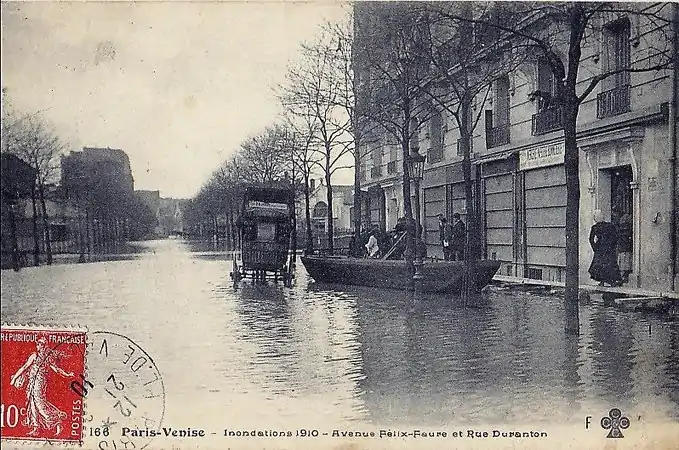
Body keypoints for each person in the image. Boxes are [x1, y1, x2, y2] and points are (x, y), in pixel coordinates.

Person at [10, 337, 75, 437]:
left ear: (45, 346)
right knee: (32, 403)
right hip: (32, 382)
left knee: (39, 403)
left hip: (40, 383)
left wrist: (67, 374)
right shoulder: (34, 356)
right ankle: (36, 427)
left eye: (42, 344)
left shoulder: (47, 358)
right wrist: (14, 377)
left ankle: (57, 419)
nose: (40, 346)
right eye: (39, 344)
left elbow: (56, 369)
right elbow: (24, 367)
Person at [588, 209, 623, 286]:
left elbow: (591, 239)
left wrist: (595, 248)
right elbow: (615, 236)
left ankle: (605, 281)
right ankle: (610, 281)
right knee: (608, 263)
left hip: (601, 248)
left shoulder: (597, 227)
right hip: (607, 248)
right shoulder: (609, 225)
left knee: (602, 264)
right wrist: (613, 245)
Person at [616, 213, 633, 283]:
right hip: (626, 248)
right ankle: (624, 277)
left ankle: (622, 276)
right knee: (627, 263)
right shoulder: (628, 228)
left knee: (622, 263)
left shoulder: (620, 228)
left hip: (622, 248)